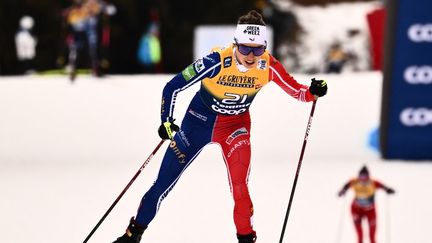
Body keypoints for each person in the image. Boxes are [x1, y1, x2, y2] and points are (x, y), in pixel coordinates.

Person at [113, 10, 328, 243]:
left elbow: (298, 92)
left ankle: (246, 239)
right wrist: (166, 120)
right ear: (235, 44)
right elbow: (172, 86)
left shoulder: (268, 65)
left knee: (240, 187)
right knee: (163, 184)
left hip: (235, 128)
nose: (251, 56)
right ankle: (133, 234)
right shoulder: (216, 61)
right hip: (197, 124)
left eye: (257, 49)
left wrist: (313, 91)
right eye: (245, 48)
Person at [338, 165, 395, 243]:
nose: (363, 179)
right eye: (361, 176)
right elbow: (346, 186)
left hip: (370, 211)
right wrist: (342, 191)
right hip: (356, 210)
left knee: (372, 236)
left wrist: (388, 190)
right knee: (360, 236)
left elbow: (383, 186)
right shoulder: (354, 182)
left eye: (365, 176)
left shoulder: (373, 183)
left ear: (368, 176)